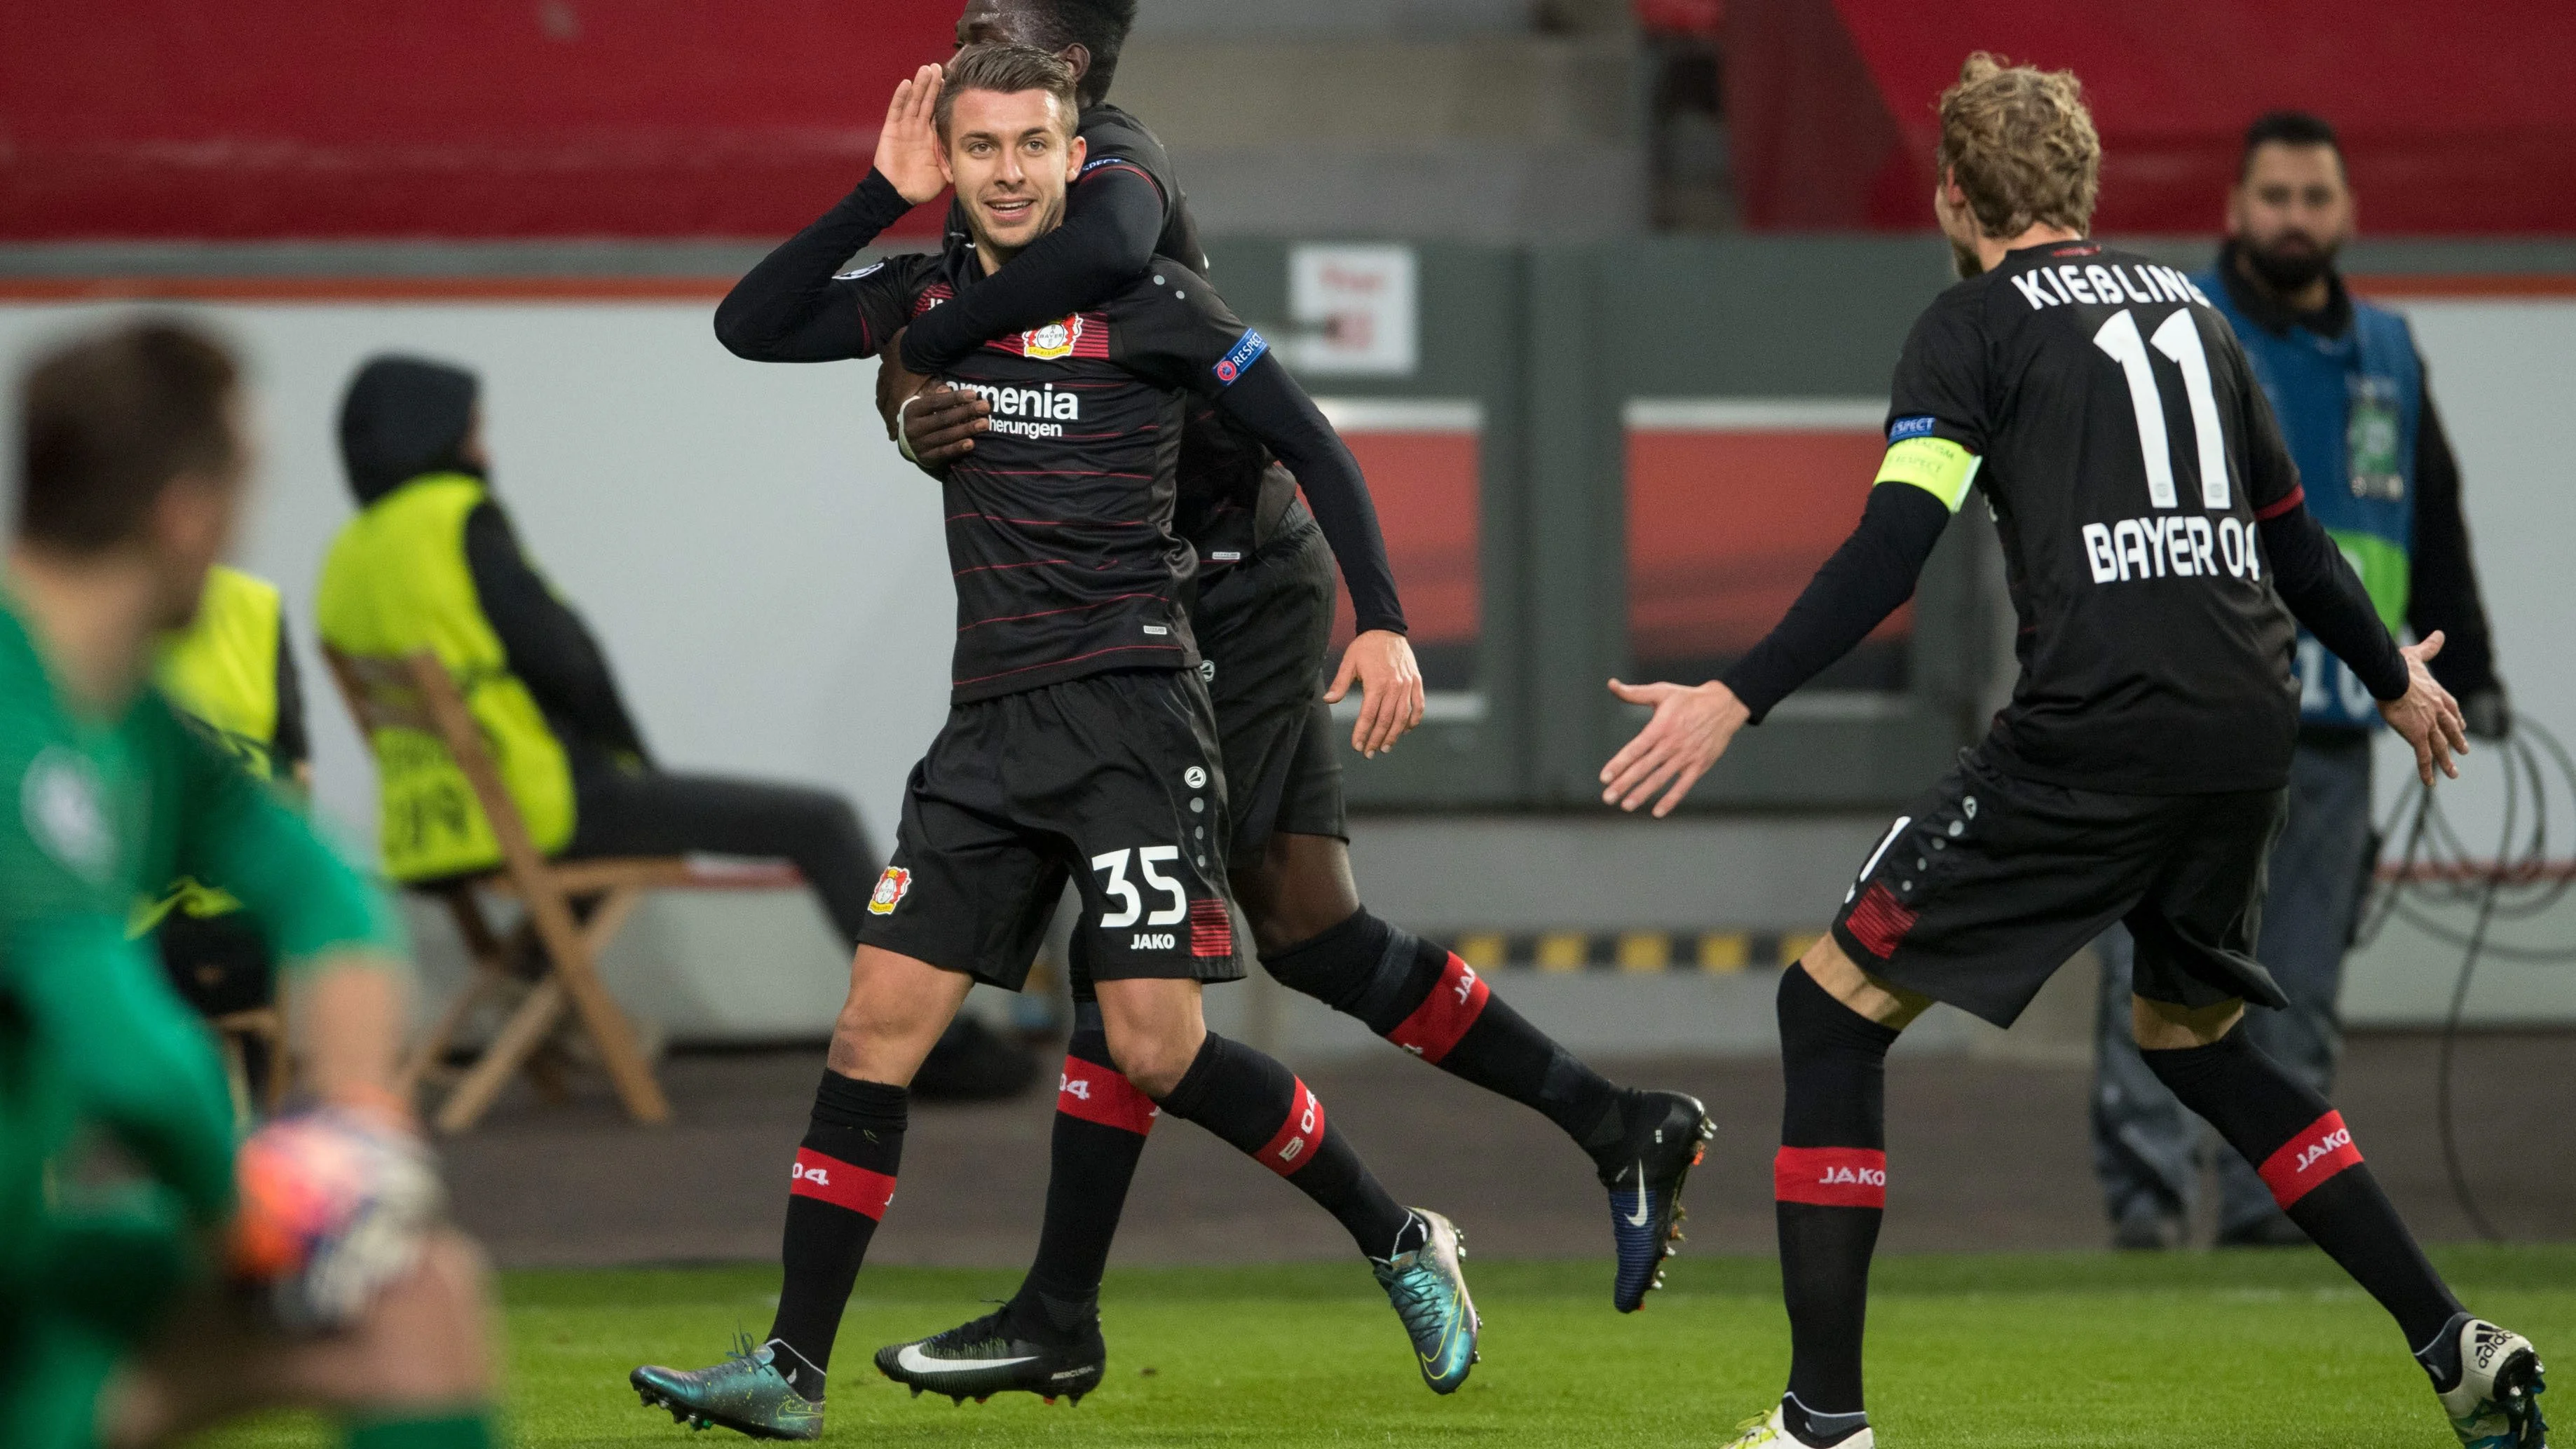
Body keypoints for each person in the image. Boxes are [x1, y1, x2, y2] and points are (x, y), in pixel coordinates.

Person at [1597, 55, 2546, 1449]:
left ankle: (1820, 1420)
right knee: (2194, 1035)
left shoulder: (1969, 323)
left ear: (1953, 195)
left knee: (1829, 1005)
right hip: (2244, 733)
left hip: (2094, 731)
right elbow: (2290, 536)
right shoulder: (2198, 312)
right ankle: (2450, 1339)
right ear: (2083, 188)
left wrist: (1735, 696)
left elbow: (1891, 547)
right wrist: (2387, 673)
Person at [871, 0, 1712, 1405]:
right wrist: (906, 396)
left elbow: (1105, 257)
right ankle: (1615, 1118)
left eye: (998, 17)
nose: (965, 29)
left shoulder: (1107, 168)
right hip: (1192, 591)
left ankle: (1061, 1309)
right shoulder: (981, 182)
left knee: (1127, 962)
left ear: (1069, 71)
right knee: (1309, 931)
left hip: (1222, 591)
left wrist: (1383, 616)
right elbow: (912, 340)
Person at [629, 49, 1478, 1441]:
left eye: (1035, 144)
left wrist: (1381, 623)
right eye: (982, 149)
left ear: (1073, 155)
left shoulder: (1152, 307)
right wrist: (870, 193)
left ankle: (1398, 1236)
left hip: (1132, 723)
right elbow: (749, 322)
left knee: (1156, 1050)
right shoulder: (926, 302)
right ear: (950, 165)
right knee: (871, 1028)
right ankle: (789, 1367)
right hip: (986, 732)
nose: (1011, 170)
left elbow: (1312, 444)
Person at [0, 319, 497, 1448]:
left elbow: (318, 886)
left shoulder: (119, 712)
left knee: (410, 1289)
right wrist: (257, 1208)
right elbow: (129, 1057)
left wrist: (358, 1113)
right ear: (184, 512)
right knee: (366, 1270)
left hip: (17, 1274)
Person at [312, 358, 1033, 1094]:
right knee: (819, 821)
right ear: (429, 434)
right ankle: (928, 1045)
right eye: (472, 435)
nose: (483, 455)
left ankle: (541, 994)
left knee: (687, 817)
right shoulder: (456, 516)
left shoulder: (350, 553)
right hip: (541, 803)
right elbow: (566, 658)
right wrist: (634, 760)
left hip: (435, 825)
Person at [2090, 109, 2510, 1252]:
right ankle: (2143, 1214)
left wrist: (2467, 662)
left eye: (2314, 197)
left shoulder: (2389, 349)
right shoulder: (2175, 326)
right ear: (2234, 209)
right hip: (2183, 717)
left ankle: (2273, 1217)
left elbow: (2435, 516)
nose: (2294, 218)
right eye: (2274, 196)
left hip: (2330, 724)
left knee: (2301, 990)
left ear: (2348, 213)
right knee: (2159, 973)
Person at [137, 563, 311, 1099]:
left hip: (113, 952)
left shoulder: (48, 616)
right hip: (247, 931)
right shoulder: (255, 606)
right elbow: (298, 778)